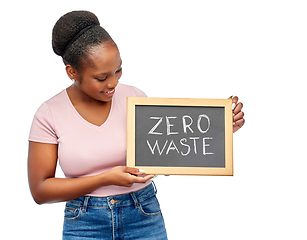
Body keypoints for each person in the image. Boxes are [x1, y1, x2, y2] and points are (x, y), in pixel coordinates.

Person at [27, 10, 245, 240]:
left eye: (118, 70)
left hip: (142, 214)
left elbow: (164, 155)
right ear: (72, 72)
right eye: (101, 78)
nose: (113, 83)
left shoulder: (135, 99)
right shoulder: (49, 114)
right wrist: (106, 178)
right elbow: (41, 191)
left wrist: (216, 132)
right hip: (85, 222)